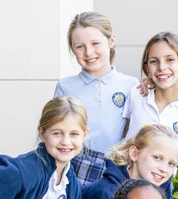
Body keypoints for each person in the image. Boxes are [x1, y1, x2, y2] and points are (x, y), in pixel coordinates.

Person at [55, 11, 138, 185]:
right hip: (76, 167)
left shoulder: (131, 85)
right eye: (79, 47)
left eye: (95, 43)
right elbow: (55, 131)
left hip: (117, 168)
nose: (88, 52)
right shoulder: (66, 86)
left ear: (111, 41)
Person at [123, 32, 178, 156]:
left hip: (164, 175)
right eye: (154, 61)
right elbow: (123, 136)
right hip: (123, 174)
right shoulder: (137, 94)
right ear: (147, 69)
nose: (161, 67)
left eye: (170, 60)